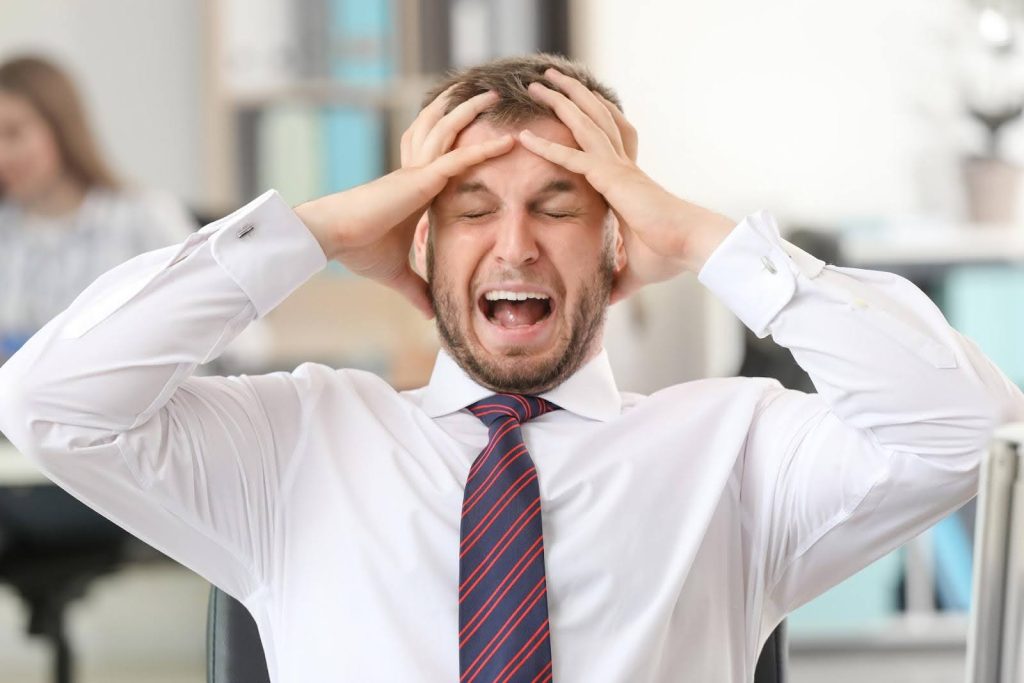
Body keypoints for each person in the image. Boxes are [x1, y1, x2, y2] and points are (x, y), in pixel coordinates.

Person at [0, 53, 1020, 682]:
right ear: (413, 240)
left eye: (564, 207)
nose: (516, 246)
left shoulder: (737, 448)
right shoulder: (294, 443)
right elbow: (49, 403)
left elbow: (967, 427)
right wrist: (306, 233)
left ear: (621, 241)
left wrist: (711, 242)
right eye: (469, 210)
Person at [0, 55, 196, 362]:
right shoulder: (7, 227)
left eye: (14, 133)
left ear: (60, 127)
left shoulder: (141, 214)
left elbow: (232, 338)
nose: (3, 155)